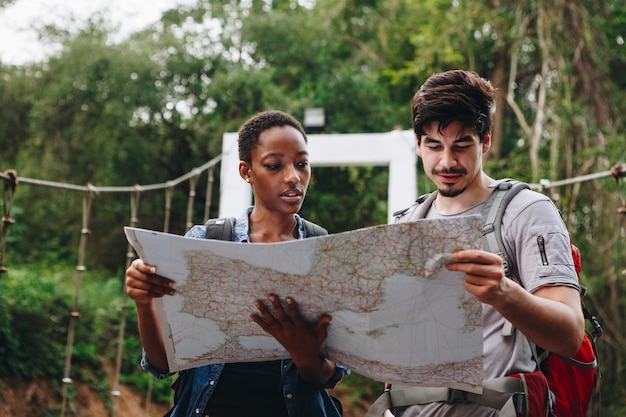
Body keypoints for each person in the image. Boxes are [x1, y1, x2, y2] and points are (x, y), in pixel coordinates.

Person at [125, 110, 347, 417]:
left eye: (302, 164)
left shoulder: (327, 253)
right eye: (274, 165)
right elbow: (163, 363)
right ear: (246, 171)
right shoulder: (202, 243)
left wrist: (304, 354)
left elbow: (328, 374)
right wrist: (143, 302)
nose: (294, 176)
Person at [390, 70, 585, 416]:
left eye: (462, 145)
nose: (447, 161)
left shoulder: (527, 212)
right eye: (434, 145)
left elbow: (570, 334)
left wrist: (504, 294)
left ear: (486, 141)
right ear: (418, 144)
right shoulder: (405, 222)